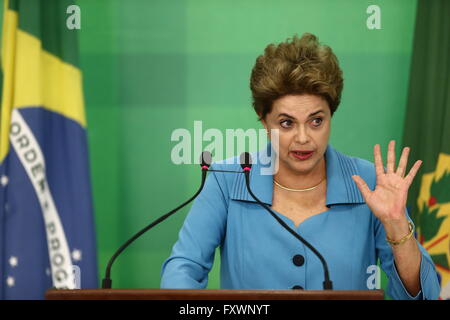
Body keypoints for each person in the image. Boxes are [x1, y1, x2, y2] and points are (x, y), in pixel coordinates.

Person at [160, 33, 441, 299]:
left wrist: (396, 225)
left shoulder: (369, 182)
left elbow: (422, 295)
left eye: (316, 120)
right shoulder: (227, 180)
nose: (304, 138)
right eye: (286, 123)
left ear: (331, 115)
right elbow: (183, 268)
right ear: (263, 120)